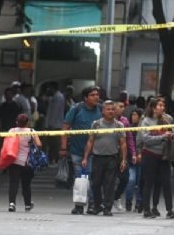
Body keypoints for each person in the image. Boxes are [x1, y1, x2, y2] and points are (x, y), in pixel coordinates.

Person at [61, 86, 102, 215]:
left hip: (94, 152)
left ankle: (91, 204)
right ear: (85, 98)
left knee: (89, 177)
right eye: (92, 95)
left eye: (97, 94)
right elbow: (65, 128)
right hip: (77, 151)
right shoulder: (76, 109)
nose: (96, 97)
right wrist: (63, 148)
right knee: (80, 178)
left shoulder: (101, 110)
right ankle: (79, 205)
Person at [82, 101, 128, 217]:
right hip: (98, 157)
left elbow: (123, 144)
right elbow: (90, 141)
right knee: (95, 184)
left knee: (110, 184)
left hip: (112, 158)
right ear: (102, 111)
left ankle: (108, 208)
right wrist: (85, 158)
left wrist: (123, 160)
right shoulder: (96, 124)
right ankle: (98, 205)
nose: (111, 111)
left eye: (113, 109)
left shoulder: (119, 125)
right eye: (108, 109)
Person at [138, 97, 174, 219]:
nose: (162, 107)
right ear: (153, 108)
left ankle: (170, 210)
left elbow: (173, 132)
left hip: (164, 156)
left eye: (163, 105)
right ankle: (147, 210)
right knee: (148, 183)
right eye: (159, 105)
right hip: (149, 155)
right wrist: (162, 137)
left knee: (167, 183)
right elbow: (146, 139)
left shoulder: (166, 120)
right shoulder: (146, 121)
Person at [7, 114, 41, 212]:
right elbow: (39, 144)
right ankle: (27, 205)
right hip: (27, 163)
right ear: (27, 123)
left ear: (17, 122)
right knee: (26, 184)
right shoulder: (31, 132)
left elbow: (7, 143)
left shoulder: (12, 131)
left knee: (13, 183)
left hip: (13, 161)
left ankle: (12, 204)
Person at [110, 100, 136, 213]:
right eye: (120, 106)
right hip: (109, 153)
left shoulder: (125, 121)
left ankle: (116, 197)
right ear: (114, 108)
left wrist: (133, 153)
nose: (123, 109)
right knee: (108, 179)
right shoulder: (108, 120)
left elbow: (129, 138)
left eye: (123, 107)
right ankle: (107, 201)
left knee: (125, 179)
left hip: (122, 155)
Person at [125, 109, 145, 212]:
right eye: (132, 114)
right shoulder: (129, 128)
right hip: (131, 159)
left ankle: (139, 202)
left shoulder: (144, 128)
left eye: (136, 114)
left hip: (142, 159)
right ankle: (128, 200)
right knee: (131, 180)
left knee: (140, 182)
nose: (134, 117)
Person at [44, 82, 66, 162]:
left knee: (56, 144)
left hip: (56, 124)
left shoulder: (59, 97)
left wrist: (51, 124)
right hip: (52, 124)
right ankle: (51, 159)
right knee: (51, 144)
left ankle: (56, 159)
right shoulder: (53, 97)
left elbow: (55, 112)